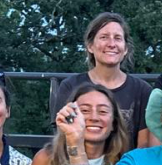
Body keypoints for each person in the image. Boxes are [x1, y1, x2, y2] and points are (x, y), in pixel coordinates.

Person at [51, 11, 152, 147]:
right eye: (104, 37)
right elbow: (63, 138)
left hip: (128, 161)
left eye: (117, 38)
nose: (111, 44)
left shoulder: (142, 90)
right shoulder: (70, 86)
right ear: (90, 46)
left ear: (126, 48)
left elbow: (144, 145)